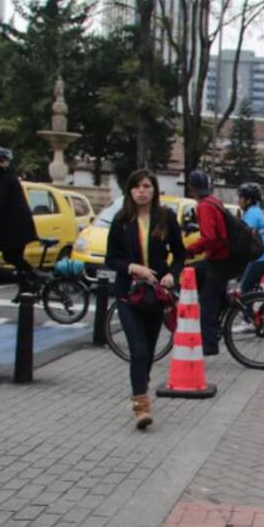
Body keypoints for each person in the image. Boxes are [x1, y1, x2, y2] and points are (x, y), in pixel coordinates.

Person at [104, 170, 186, 429]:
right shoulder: (121, 220)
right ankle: (141, 405)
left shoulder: (166, 218)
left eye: (147, 186)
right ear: (129, 191)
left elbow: (180, 254)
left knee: (148, 351)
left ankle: (141, 383)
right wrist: (131, 267)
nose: (142, 191)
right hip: (129, 295)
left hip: (156, 296)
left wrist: (172, 275)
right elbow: (111, 258)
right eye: (137, 186)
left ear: (154, 190)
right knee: (138, 350)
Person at [184, 169, 238, 356]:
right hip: (223, 256)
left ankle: (209, 344)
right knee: (197, 274)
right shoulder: (215, 201)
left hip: (220, 259)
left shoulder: (205, 206)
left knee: (208, 301)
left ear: (191, 189)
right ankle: (227, 303)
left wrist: (190, 250)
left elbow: (209, 237)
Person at [0, 147, 38, 288]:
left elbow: (0, 203)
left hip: (16, 228)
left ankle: (34, 278)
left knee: (11, 256)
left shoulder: (4, 179)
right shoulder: (6, 177)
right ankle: (25, 288)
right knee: (15, 257)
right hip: (17, 227)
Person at [235, 182, 264, 295]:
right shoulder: (256, 211)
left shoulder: (252, 214)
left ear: (248, 200)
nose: (239, 201)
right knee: (250, 289)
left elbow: (242, 236)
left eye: (241, 197)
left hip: (263, 256)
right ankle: (253, 308)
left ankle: (249, 311)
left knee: (244, 290)